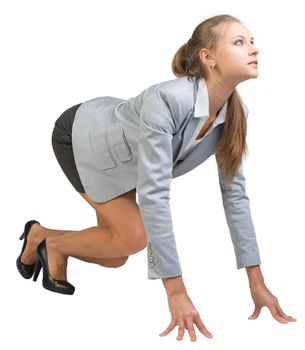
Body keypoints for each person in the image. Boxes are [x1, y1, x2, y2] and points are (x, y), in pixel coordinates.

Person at [16, 14, 296, 341]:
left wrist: (256, 281)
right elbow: (155, 195)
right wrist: (175, 290)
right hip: (84, 138)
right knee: (133, 237)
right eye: (239, 42)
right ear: (209, 58)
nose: (254, 49)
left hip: (130, 160)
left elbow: (235, 197)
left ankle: (43, 237)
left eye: (252, 41)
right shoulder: (168, 100)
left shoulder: (235, 115)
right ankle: (53, 244)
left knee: (116, 256)